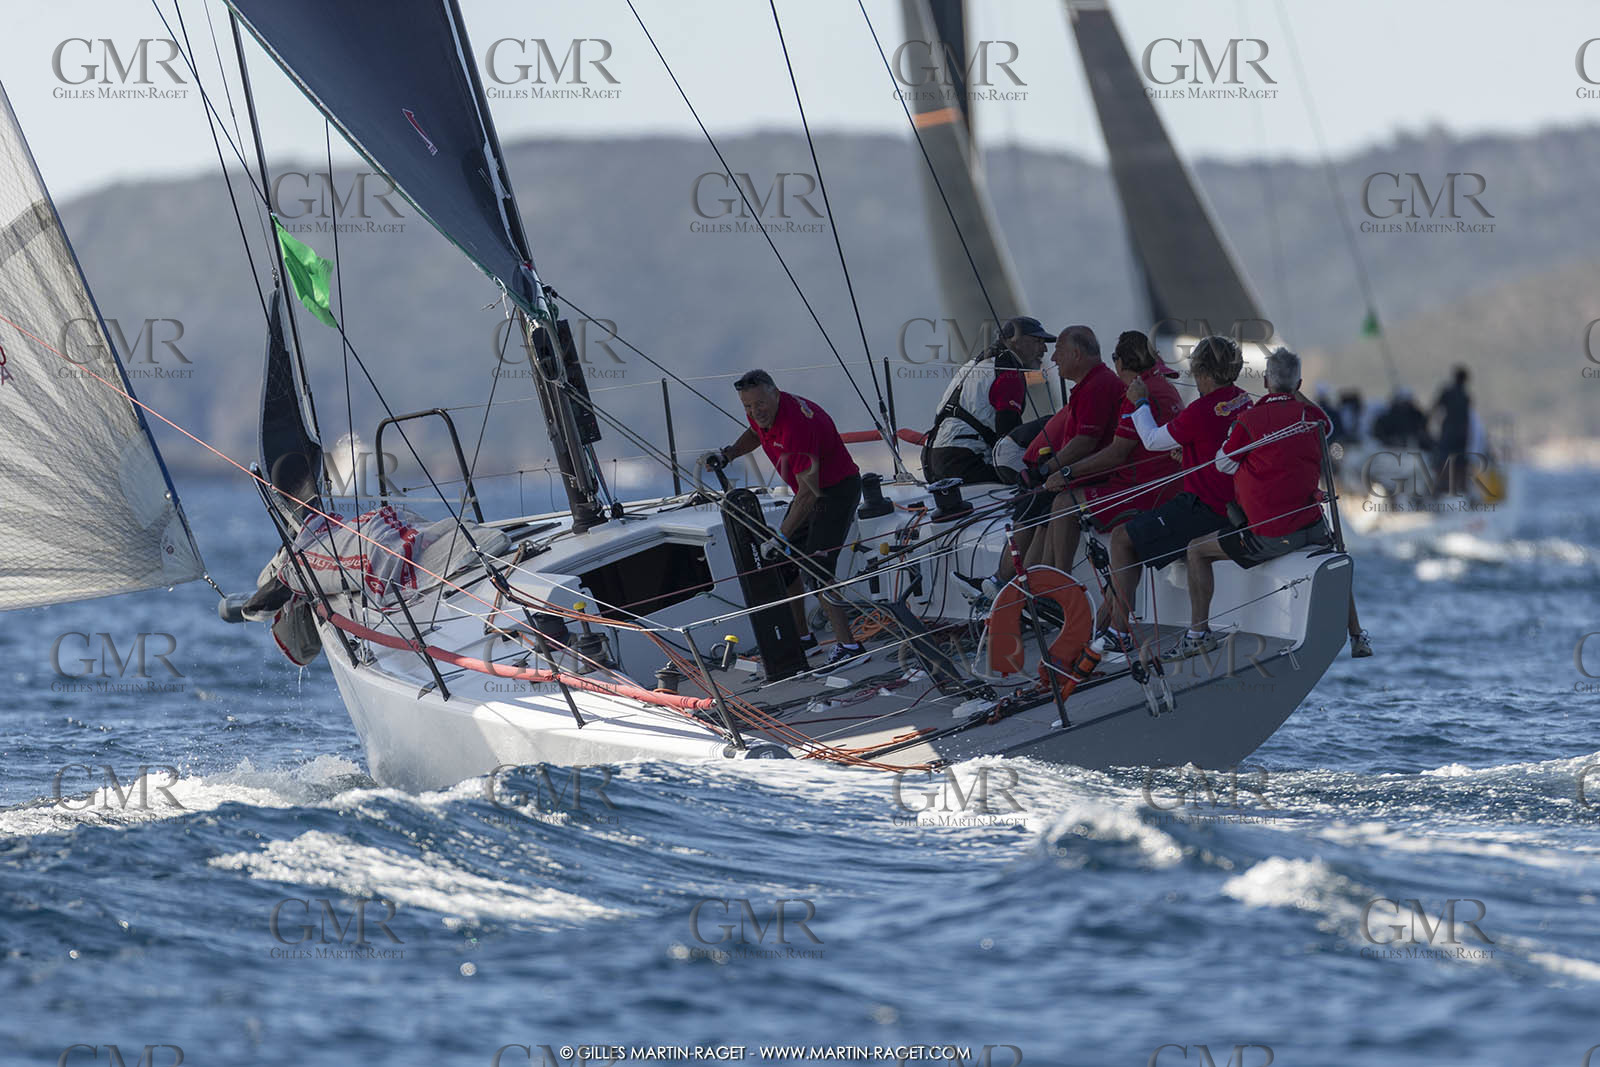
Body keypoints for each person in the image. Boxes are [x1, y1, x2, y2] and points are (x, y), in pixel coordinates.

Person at [1181, 348, 1373, 659]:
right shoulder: (1311, 419)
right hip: (1311, 525)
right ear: (1298, 383)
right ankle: (1357, 635)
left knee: (1195, 550)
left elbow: (1222, 464)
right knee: (1336, 556)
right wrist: (1294, 395)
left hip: (1270, 535)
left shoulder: (1249, 420)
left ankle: (1197, 635)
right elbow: (1328, 425)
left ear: (1267, 380)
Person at [704, 370, 867, 672]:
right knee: (786, 564)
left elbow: (809, 493)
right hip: (810, 492)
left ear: (776, 393)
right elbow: (755, 433)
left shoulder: (797, 426)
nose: (755, 412)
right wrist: (729, 454)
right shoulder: (762, 413)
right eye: (748, 407)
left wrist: (780, 535)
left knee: (817, 567)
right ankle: (804, 638)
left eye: (760, 404)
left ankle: (850, 647)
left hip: (835, 491)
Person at [1100, 335, 1251, 654]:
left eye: (1196, 373)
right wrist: (1192, 454)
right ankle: (1114, 622)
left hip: (1204, 507)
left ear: (1206, 374)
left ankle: (1119, 633)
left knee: (1121, 538)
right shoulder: (1242, 400)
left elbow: (1152, 440)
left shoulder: (1200, 410)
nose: (1195, 380)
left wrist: (1140, 401)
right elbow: (1223, 447)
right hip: (1233, 503)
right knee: (1137, 533)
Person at [979, 325, 1123, 592]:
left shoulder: (1097, 386)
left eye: (1058, 351)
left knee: (1037, 504)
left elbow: (1085, 442)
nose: (1053, 359)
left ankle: (1023, 589)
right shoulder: (1090, 384)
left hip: (1091, 476)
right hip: (1078, 472)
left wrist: (1046, 470)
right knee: (1037, 508)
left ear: (1077, 354)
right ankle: (1020, 589)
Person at [1034, 330, 1184, 572]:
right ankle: (1045, 582)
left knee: (1063, 503)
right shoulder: (1164, 386)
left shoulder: (1136, 394)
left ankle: (1058, 583)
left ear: (1121, 362)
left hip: (1144, 491)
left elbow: (1116, 453)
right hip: (1167, 486)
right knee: (1052, 505)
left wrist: (1066, 472)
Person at [925, 316, 1052, 484]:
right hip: (966, 460)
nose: (1044, 349)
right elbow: (1008, 434)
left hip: (933, 460)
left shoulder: (978, 362)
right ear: (1016, 342)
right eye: (1038, 341)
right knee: (1034, 484)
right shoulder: (1008, 372)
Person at [1432, 365, 1472, 495]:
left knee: (1444, 460)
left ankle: (1442, 488)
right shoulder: (1466, 396)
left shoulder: (1448, 392)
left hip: (1449, 432)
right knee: (1459, 463)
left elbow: (1435, 409)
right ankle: (1459, 489)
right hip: (1461, 434)